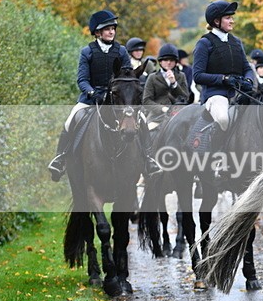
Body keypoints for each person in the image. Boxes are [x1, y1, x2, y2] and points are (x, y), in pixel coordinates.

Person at [47, 10, 161, 181]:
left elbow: (128, 75)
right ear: (98, 32)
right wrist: (93, 93)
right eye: (107, 29)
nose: (111, 32)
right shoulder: (88, 52)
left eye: (113, 28)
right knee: (71, 119)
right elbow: (82, 79)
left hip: (117, 99)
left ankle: (148, 158)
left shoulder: (121, 51)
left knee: (142, 119)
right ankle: (60, 158)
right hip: (92, 98)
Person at [192, 0, 255, 154]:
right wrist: (223, 79)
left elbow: (247, 68)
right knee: (223, 119)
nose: (232, 21)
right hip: (215, 95)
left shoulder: (236, 42)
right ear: (216, 21)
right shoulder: (204, 43)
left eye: (231, 17)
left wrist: (248, 80)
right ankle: (217, 154)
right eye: (228, 18)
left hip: (239, 94)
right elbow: (198, 75)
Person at [143, 43, 190, 129]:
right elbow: (146, 100)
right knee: (148, 134)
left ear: (175, 62)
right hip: (157, 117)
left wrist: (174, 83)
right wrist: (162, 108)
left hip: (178, 116)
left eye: (171, 60)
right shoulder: (152, 77)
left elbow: (185, 97)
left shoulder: (181, 76)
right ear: (160, 62)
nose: (168, 63)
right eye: (165, 60)